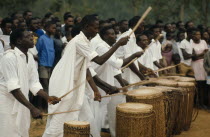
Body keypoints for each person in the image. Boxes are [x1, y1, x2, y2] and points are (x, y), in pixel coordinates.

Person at [42, 15, 128, 137]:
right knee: (59, 121)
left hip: (76, 86)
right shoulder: (79, 41)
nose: (97, 31)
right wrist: (118, 44)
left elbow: (87, 69)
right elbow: (99, 60)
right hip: (64, 84)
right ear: (87, 27)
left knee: (87, 118)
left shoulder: (85, 41)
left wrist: (98, 89)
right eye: (95, 28)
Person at [0, 28, 60, 137]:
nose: (33, 38)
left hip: (21, 101)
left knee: (22, 130)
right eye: (28, 37)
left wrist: (48, 98)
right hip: (7, 103)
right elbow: (13, 88)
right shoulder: (9, 57)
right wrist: (32, 108)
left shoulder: (30, 57)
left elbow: (34, 83)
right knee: (8, 131)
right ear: (19, 41)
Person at [36, 21, 56, 110]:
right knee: (45, 85)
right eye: (53, 28)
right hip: (43, 65)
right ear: (47, 28)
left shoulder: (51, 39)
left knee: (46, 86)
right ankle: (46, 106)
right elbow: (37, 51)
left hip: (49, 66)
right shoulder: (42, 39)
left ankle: (43, 106)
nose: (54, 30)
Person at [191, 29, 208, 108]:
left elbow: (206, 54)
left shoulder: (203, 42)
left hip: (204, 65)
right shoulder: (191, 43)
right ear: (193, 35)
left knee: (204, 84)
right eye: (196, 34)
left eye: (199, 34)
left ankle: (202, 103)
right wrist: (202, 54)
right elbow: (193, 58)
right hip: (195, 65)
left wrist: (199, 55)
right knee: (198, 84)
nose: (198, 36)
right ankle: (197, 103)